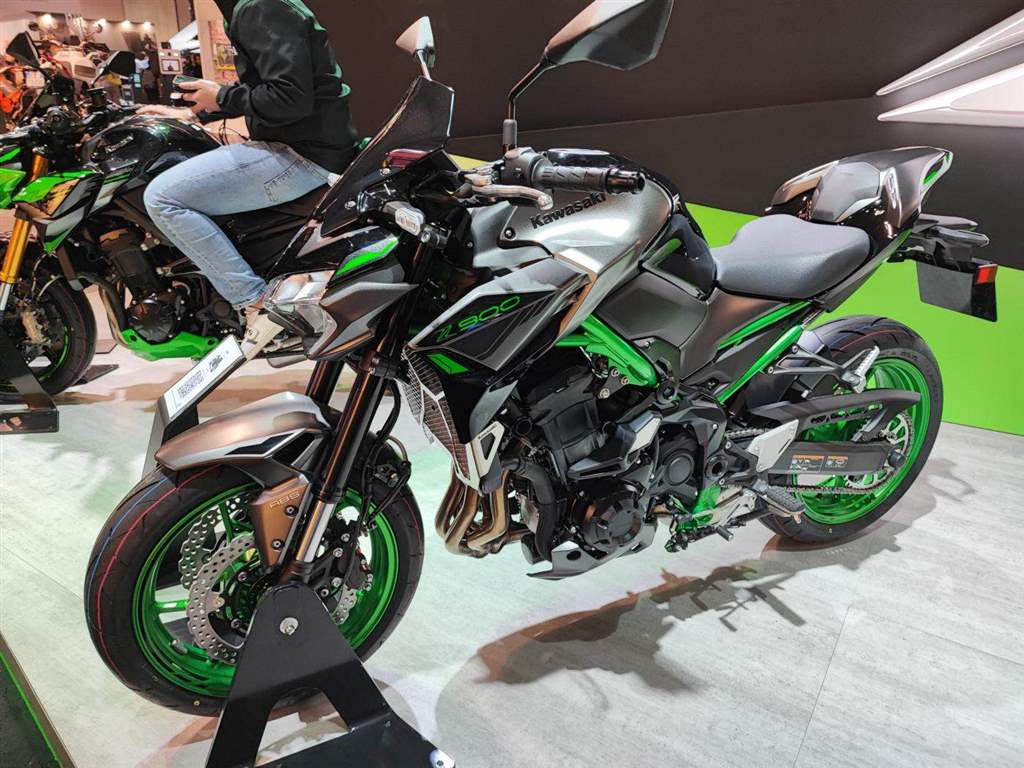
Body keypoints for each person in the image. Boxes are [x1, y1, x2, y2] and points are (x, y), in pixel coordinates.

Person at [137, 0, 359, 326]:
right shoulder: (258, 6)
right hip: (305, 147)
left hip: (302, 154)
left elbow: (290, 99)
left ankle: (256, 304)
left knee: (162, 198)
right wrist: (195, 112)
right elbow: (270, 90)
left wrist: (221, 96)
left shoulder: (260, 6)